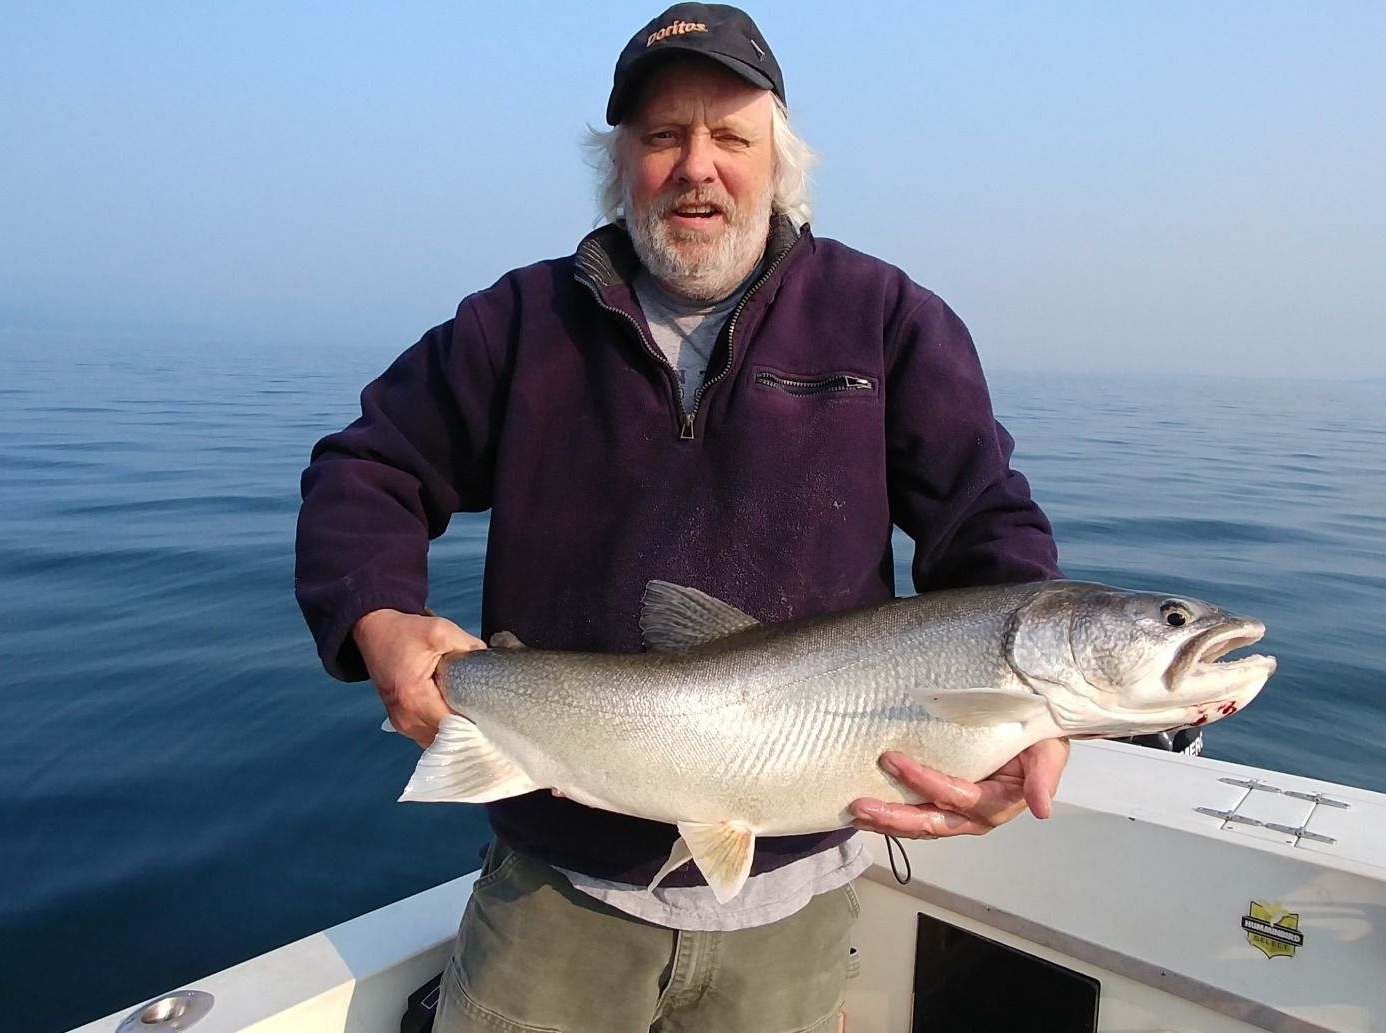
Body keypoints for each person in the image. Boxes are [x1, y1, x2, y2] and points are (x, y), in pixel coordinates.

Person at [295, 5, 1068, 1030]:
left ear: (780, 161)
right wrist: (377, 619)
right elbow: (367, 468)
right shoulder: (521, 324)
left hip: (795, 905)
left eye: (731, 137)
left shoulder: (887, 320)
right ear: (619, 162)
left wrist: (1027, 727)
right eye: (664, 136)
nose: (696, 166)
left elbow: (990, 533)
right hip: (555, 887)